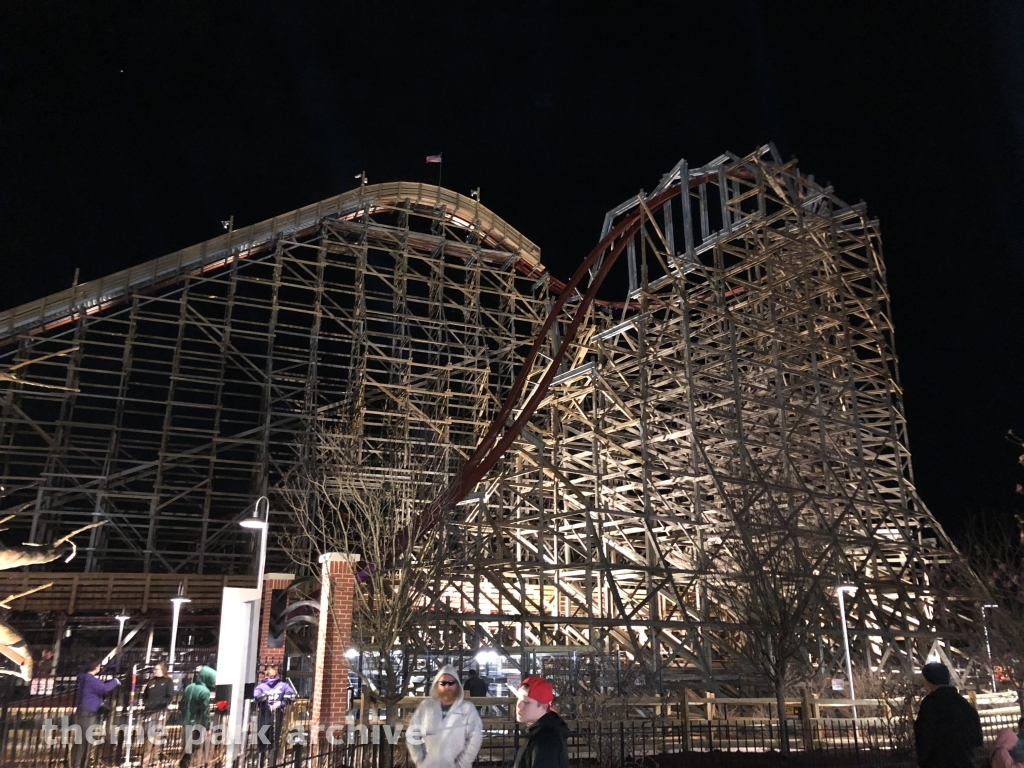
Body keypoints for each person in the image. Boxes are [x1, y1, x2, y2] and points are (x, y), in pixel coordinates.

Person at [408, 665, 483, 768]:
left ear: (457, 685)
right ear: (436, 685)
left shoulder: (467, 709)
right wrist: (420, 760)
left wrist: (461, 764)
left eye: (451, 683)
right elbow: (413, 733)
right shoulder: (426, 707)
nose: (447, 687)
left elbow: (475, 739)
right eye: (443, 683)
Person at [914, 662, 983, 768]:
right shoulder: (964, 704)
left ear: (929, 681)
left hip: (939, 762)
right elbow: (978, 739)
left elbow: (924, 736)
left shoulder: (931, 704)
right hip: (965, 761)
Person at [71, 658, 120, 768]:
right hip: (88, 713)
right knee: (85, 741)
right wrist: (115, 681)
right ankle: (81, 764)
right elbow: (105, 688)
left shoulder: (83, 677)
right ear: (97, 667)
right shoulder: (91, 680)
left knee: (81, 740)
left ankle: (79, 763)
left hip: (82, 712)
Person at [512, 676, 569, 768]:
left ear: (543, 707)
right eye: (519, 699)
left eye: (526, 702)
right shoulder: (541, 734)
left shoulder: (546, 740)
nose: (519, 705)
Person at [253, 666, 296, 762]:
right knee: (275, 736)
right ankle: (273, 758)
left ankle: (262, 757)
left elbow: (256, 696)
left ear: (266, 675)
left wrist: (264, 700)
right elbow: (290, 694)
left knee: (263, 735)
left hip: (264, 714)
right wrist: (281, 703)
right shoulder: (283, 685)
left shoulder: (261, 686)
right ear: (277, 675)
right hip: (278, 713)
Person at [178, 665, 216, 768]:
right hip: (197, 724)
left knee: (186, 747)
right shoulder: (205, 691)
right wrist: (207, 727)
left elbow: (181, 704)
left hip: (186, 721)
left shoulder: (189, 687)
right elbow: (205, 711)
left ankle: (184, 764)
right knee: (196, 748)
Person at [141, 662, 174, 767]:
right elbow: (145, 695)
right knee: (148, 738)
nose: (154, 671)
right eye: (154, 669)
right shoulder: (151, 682)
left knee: (156, 737)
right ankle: (145, 762)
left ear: (163, 670)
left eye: (156, 669)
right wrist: (146, 703)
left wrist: (160, 704)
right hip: (149, 712)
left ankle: (155, 760)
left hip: (160, 712)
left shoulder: (168, 681)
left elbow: (170, 696)